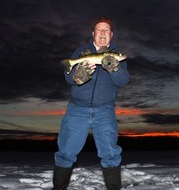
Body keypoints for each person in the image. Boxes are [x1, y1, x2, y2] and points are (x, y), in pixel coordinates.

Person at [52, 17, 130, 190]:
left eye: (106, 30)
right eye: (99, 30)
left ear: (111, 35)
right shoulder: (81, 51)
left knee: (110, 153)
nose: (102, 32)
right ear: (93, 34)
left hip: (105, 110)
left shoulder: (116, 54)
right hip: (77, 109)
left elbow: (123, 81)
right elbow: (69, 78)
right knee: (66, 152)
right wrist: (78, 76)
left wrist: (115, 69)